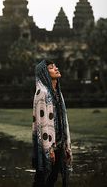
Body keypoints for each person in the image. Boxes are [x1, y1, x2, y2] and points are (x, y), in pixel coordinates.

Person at [32, 59, 73, 187]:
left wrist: (66, 145)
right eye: (51, 67)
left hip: (60, 142)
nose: (56, 68)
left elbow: (63, 120)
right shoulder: (42, 93)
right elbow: (42, 124)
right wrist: (49, 149)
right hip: (48, 144)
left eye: (55, 66)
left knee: (53, 177)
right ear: (44, 73)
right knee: (43, 178)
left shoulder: (57, 93)